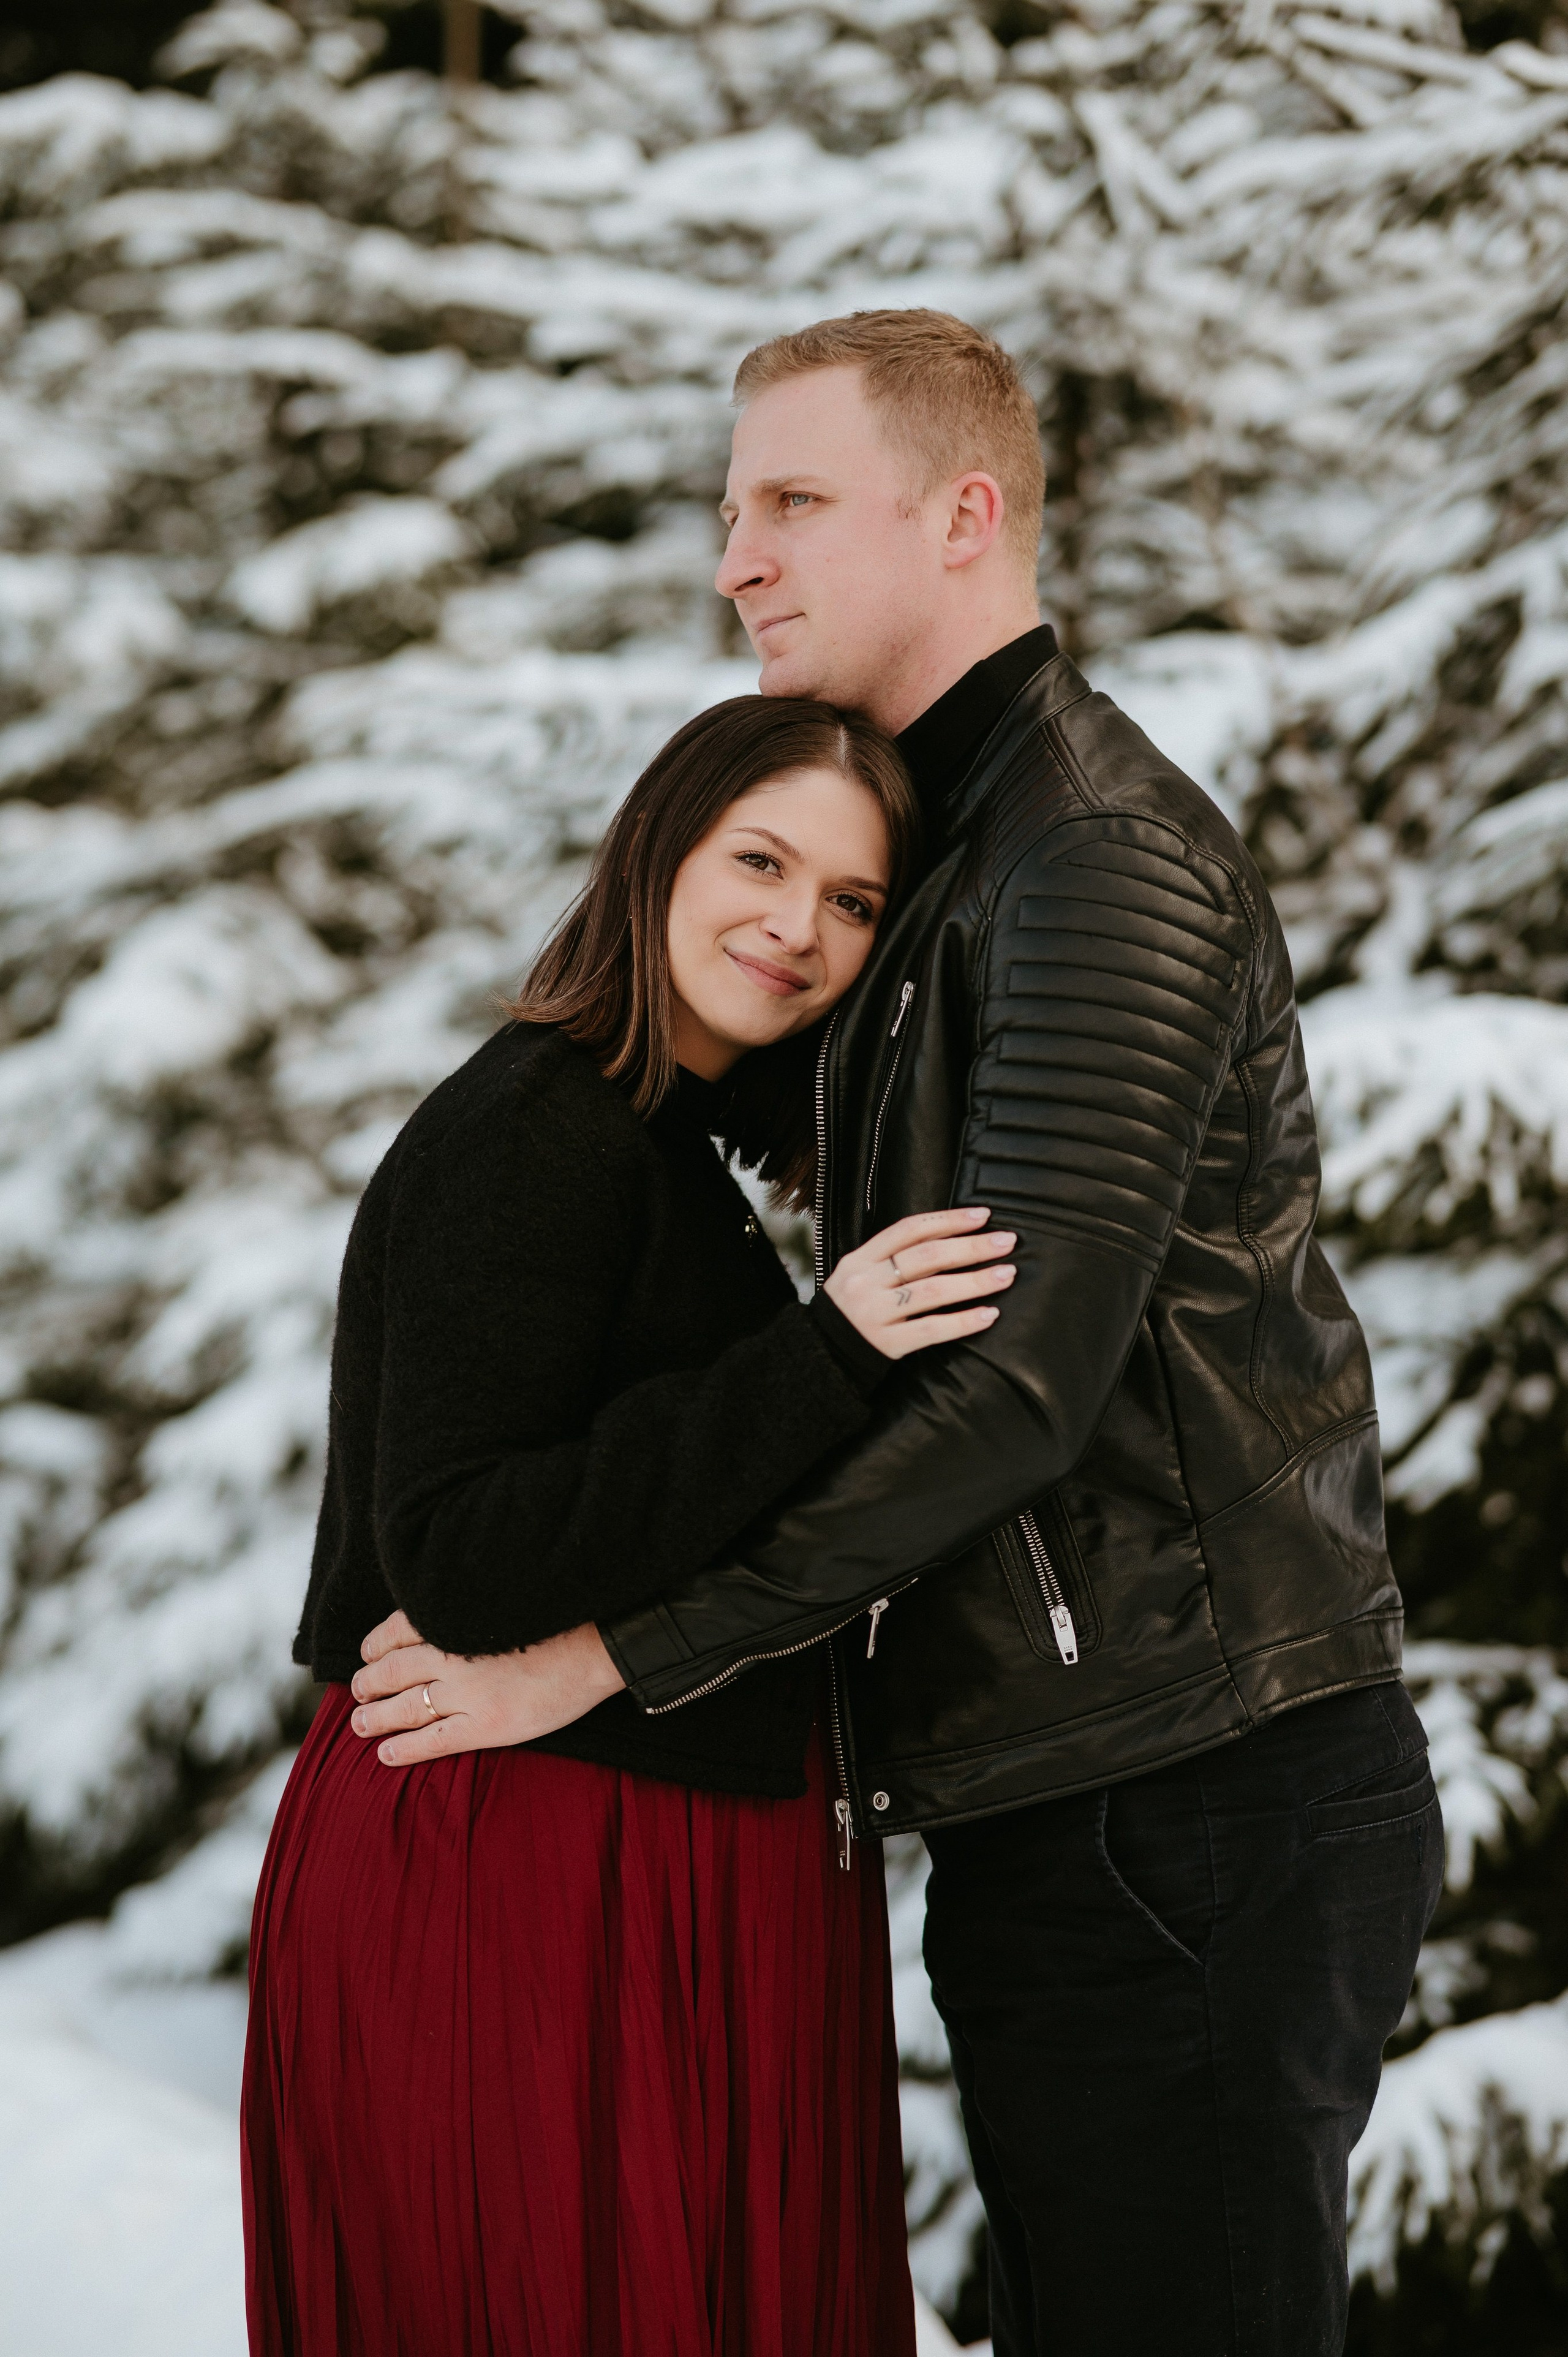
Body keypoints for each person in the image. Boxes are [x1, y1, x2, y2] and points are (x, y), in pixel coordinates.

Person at [349, 312, 1445, 2355]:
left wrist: (611, 1659)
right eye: (727, 510)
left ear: (963, 518)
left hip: (1195, 1777)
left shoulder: (1092, 859)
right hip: (1088, 1783)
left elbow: (1015, 1397)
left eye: (788, 504)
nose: (733, 561)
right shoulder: (940, 872)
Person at [243, 694, 1022, 2357]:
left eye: (853, 902)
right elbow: (464, 1550)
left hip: (619, 1838)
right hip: (526, 1863)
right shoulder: (542, 1126)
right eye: (762, 859)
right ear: (658, 848)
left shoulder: (653, 1144)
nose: (796, 928)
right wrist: (828, 1352)